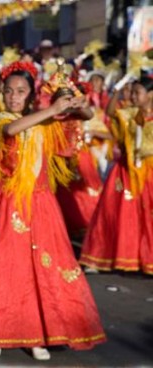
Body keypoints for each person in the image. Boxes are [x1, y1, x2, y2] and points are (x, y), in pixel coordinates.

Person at [0, 61, 106, 361]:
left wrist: (70, 98)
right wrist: (52, 109)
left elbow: (86, 116)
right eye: (9, 91)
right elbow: (13, 128)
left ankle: (39, 335)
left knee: (42, 269)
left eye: (21, 92)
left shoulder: (45, 122)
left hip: (43, 204)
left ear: (31, 95)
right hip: (10, 205)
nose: (14, 96)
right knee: (9, 269)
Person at [80, 76, 153, 275]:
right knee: (115, 212)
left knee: (147, 215)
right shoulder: (129, 113)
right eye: (133, 92)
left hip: (149, 172)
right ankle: (105, 255)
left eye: (138, 93)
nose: (134, 96)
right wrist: (116, 91)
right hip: (125, 172)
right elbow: (111, 112)